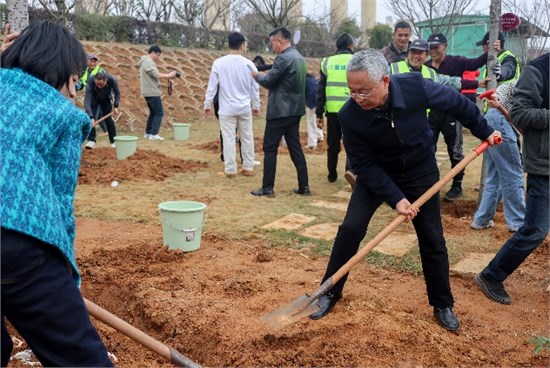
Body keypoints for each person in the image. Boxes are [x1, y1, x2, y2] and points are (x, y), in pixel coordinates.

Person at [309, 49, 500, 331]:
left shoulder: (415, 87)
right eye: (352, 91)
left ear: (385, 81)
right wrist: (396, 198)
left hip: (420, 171)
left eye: (364, 91)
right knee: (351, 228)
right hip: (378, 174)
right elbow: (363, 163)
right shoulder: (351, 114)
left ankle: (442, 303)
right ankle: (330, 291)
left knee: (432, 237)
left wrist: (484, 130)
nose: (357, 98)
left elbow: (459, 104)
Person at [0, 20, 112, 367]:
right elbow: (61, 201)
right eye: (73, 78)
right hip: (17, 239)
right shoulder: (63, 114)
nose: (75, 91)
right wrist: (66, 279)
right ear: (58, 69)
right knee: (80, 358)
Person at [475, 52, 549, 305]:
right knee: (535, 230)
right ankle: (491, 275)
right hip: (544, 163)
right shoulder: (537, 70)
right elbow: (520, 114)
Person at [425, 32, 497, 201]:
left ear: (444, 46)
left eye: (436, 47)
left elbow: (475, 64)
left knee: (455, 150)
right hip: (432, 114)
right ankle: (429, 184)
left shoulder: (455, 62)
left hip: (451, 113)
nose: (433, 51)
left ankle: (457, 185)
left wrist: (492, 50)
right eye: (430, 48)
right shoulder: (426, 66)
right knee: (427, 149)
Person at [250, 27, 310, 197]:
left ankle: (267, 188)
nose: (272, 47)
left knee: (269, 148)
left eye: (272, 43)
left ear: (280, 41)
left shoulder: (283, 58)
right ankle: (304, 186)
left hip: (279, 111)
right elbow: (278, 69)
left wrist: (256, 75)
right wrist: (264, 68)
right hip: (295, 110)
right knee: (295, 147)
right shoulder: (298, 57)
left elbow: (269, 81)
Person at [470, 81, 525, 232]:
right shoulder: (538, 80)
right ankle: (518, 223)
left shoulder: (534, 76)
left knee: (494, 175)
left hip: (493, 119)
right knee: (513, 173)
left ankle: (481, 219)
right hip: (501, 119)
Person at [204, 31, 260, 178]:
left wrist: (207, 104)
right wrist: (256, 105)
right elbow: (255, 87)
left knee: (228, 138)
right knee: (247, 136)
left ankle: (230, 170)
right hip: (244, 107)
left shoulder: (219, 63)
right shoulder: (249, 64)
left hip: (226, 108)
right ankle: (248, 166)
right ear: (242, 46)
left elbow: (212, 86)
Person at [315, 32, 355, 185]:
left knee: (333, 143)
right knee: (352, 142)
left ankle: (331, 173)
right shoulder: (356, 61)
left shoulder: (327, 62)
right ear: (351, 46)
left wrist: (319, 113)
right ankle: (350, 170)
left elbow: (321, 90)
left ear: (337, 47)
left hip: (332, 111)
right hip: (352, 110)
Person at [389, 38, 462, 90]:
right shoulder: (393, 68)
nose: (416, 55)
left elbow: (450, 82)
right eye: (413, 52)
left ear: (427, 55)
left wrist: (473, 83)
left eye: (420, 52)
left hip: (423, 112)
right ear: (408, 53)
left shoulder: (431, 73)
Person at [138, 45, 177, 140]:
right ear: (153, 52)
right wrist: (169, 75)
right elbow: (156, 75)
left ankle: (148, 133)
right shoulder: (147, 61)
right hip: (152, 91)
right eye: (158, 55)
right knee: (159, 113)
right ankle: (154, 134)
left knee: (153, 113)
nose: (158, 57)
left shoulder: (145, 61)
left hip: (148, 91)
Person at [84, 72, 121, 149]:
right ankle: (91, 141)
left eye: (101, 85)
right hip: (93, 99)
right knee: (91, 120)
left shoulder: (112, 80)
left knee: (109, 120)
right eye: (97, 84)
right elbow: (87, 101)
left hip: (105, 99)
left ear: (106, 81)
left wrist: (116, 106)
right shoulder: (90, 82)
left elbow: (117, 92)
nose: (99, 87)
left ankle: (113, 141)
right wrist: (91, 117)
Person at [76, 54, 109, 134]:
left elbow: (107, 83)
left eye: (94, 62)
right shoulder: (86, 71)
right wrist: (74, 88)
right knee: (99, 114)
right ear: (87, 62)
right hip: (89, 96)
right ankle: (106, 131)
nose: (93, 63)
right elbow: (81, 83)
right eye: (91, 61)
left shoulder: (100, 71)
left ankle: (89, 133)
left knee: (92, 115)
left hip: (98, 96)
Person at [305, 73, 323, 149]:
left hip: (312, 102)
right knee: (316, 119)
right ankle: (319, 136)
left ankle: (312, 144)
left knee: (310, 122)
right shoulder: (313, 79)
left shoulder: (304, 80)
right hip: (319, 101)